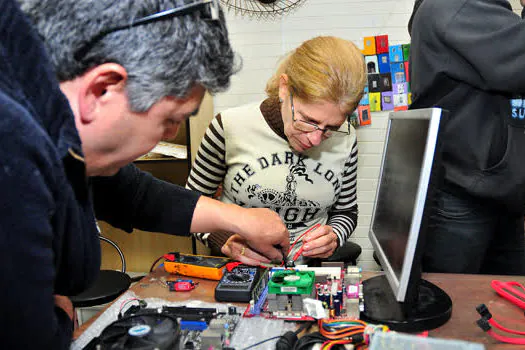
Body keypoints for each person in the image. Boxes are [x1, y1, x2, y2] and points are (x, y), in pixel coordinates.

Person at [1, 0, 290, 348]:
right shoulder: (11, 155)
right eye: (169, 120)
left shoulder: (46, 110)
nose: (169, 136)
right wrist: (59, 318)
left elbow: (131, 194)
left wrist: (240, 219)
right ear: (102, 89)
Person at [187, 36, 365, 266]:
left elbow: (346, 212)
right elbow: (191, 205)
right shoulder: (229, 126)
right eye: (308, 120)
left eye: (331, 127)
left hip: (308, 272)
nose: (315, 139)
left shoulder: (348, 138)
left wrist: (334, 236)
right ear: (284, 88)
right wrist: (225, 240)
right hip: (240, 271)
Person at [409, 0, 525, 275]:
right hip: (465, 194)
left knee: (506, 303)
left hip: (494, 187)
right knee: (456, 302)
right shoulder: (455, 6)